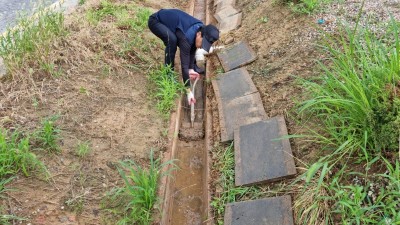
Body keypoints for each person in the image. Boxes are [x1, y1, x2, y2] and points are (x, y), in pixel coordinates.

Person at [147, 9, 220, 105]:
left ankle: (187, 69)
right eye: (203, 43)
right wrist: (188, 91)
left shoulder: (200, 28)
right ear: (199, 34)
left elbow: (192, 49)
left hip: (173, 23)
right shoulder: (186, 38)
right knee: (172, 41)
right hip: (156, 21)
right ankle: (168, 75)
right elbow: (184, 65)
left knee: (185, 43)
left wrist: (190, 69)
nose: (202, 46)